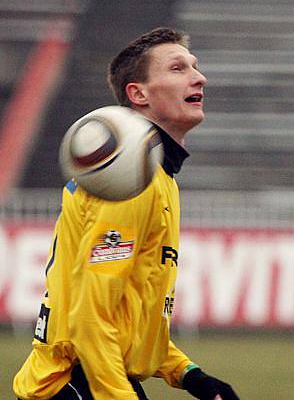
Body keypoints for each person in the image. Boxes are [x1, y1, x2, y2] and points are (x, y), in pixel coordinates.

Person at [13, 28, 239, 400]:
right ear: (138, 93)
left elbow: (129, 319)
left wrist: (189, 375)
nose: (199, 77)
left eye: (195, 67)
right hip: (78, 383)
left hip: (94, 377)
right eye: (178, 68)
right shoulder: (131, 178)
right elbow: (89, 318)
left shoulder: (156, 176)